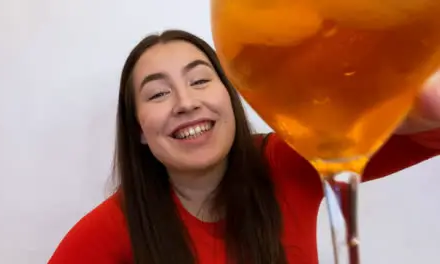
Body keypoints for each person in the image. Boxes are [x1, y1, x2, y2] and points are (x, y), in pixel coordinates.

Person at [48, 30, 440, 264]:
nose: (185, 102)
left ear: (230, 97)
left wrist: (412, 105)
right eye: (159, 93)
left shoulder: (284, 161)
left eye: (200, 81)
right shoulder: (113, 226)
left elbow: (428, 134)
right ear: (139, 131)